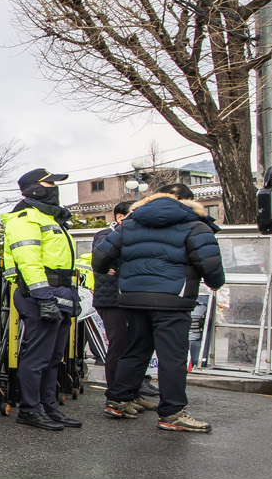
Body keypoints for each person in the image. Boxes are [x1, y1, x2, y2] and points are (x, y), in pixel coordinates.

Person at [92, 180, 224, 433]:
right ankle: (172, 412)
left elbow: (100, 257)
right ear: (188, 201)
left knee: (136, 348)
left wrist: (111, 270)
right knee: (172, 357)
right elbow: (210, 262)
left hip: (133, 297)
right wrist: (215, 283)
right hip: (172, 300)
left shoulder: (130, 223)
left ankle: (118, 399)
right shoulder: (195, 225)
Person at [0, 169, 83, 431]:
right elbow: (29, 262)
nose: (54, 188)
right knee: (37, 356)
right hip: (38, 294)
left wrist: (72, 295)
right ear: (35, 188)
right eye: (50, 183)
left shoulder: (51, 218)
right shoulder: (25, 219)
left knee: (53, 356)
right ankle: (30, 409)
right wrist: (44, 297)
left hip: (59, 293)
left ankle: (48, 406)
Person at [90, 201, 156, 414]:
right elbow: (104, 259)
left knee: (135, 346)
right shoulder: (106, 234)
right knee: (119, 346)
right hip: (111, 299)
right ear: (120, 217)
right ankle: (116, 395)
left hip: (131, 297)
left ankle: (132, 393)